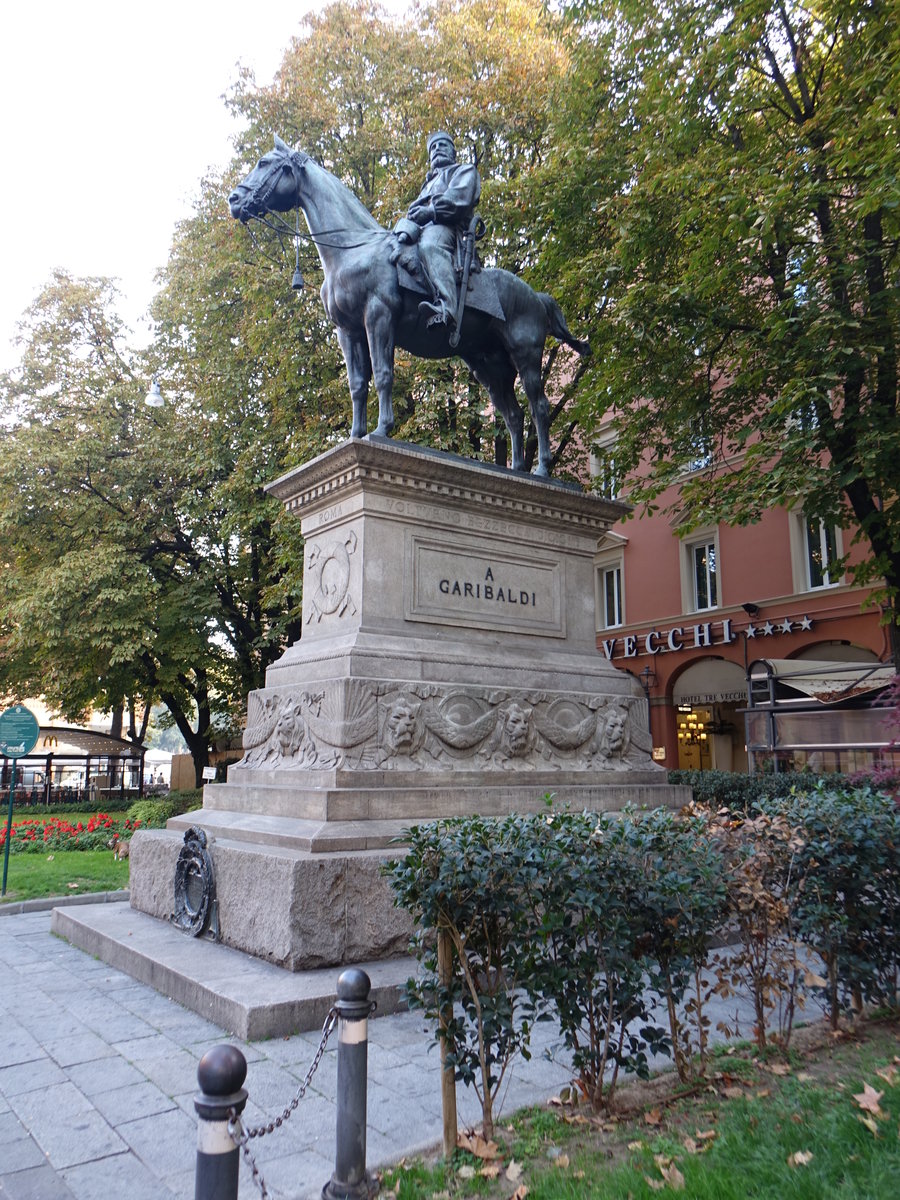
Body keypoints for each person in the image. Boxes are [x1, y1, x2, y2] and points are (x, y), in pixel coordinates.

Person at [394, 131, 481, 330]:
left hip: (448, 227)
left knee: (430, 247)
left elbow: (459, 198)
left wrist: (431, 211)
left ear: (453, 151)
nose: (437, 150)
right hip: (420, 228)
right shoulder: (427, 184)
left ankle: (447, 306)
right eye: (433, 147)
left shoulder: (464, 171)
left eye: (442, 145)